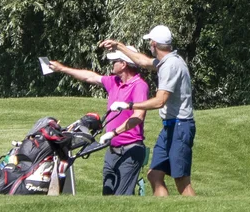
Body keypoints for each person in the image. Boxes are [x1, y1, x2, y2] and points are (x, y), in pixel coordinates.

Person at [100, 25, 195, 196]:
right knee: (154, 175)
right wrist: (118, 46)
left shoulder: (170, 66)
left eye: (150, 42)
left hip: (181, 126)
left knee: (181, 180)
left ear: (154, 44)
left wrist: (129, 105)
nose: (149, 45)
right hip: (170, 127)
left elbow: (160, 101)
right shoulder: (166, 61)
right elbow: (142, 61)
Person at [45, 52, 151, 195]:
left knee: (122, 197)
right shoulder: (114, 82)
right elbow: (90, 76)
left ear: (124, 64)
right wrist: (62, 69)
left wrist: (114, 132)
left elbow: (138, 116)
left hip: (131, 150)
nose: (112, 64)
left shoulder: (139, 86)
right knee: (107, 195)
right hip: (112, 149)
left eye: (114, 61)